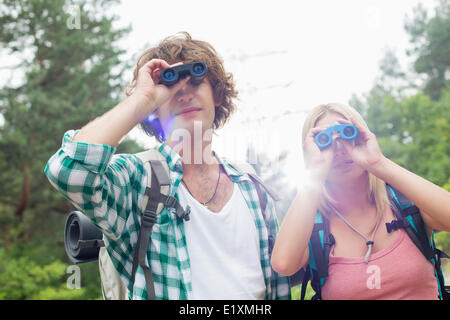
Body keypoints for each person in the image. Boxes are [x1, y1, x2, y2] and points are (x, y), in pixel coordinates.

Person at [45, 32, 290, 300]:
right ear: (155, 111)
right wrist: (142, 98)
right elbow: (68, 170)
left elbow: (278, 288)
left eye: (196, 81)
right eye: (171, 87)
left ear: (217, 96)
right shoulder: (138, 179)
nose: (183, 95)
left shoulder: (251, 185)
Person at [271, 102, 450, 300]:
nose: (339, 149)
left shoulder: (406, 204)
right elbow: (283, 264)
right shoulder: (313, 228)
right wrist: (315, 172)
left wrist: (378, 163)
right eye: (325, 141)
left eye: (349, 134)